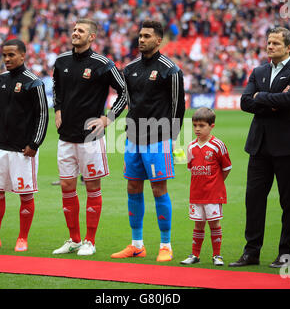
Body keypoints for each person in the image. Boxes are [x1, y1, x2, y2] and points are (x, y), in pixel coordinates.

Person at [229, 27, 290, 268]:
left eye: (275, 43)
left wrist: (260, 98)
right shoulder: (259, 71)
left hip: (287, 146)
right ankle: (251, 252)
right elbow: (245, 102)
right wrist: (270, 101)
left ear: (288, 47)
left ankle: (285, 253)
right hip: (259, 146)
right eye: (269, 42)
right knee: (253, 200)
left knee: (289, 202)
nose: (270, 46)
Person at [111, 20, 185, 262]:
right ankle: (137, 244)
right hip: (133, 138)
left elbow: (178, 106)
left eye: (146, 36)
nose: (141, 39)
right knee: (132, 187)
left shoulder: (170, 69)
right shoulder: (130, 68)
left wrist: (174, 139)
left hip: (159, 138)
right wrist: (109, 118)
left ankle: (166, 245)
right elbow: (127, 101)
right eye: (140, 35)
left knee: (158, 188)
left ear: (158, 40)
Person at [51, 19, 127, 256]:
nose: (75, 33)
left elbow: (125, 91)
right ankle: (73, 239)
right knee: (66, 186)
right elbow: (56, 88)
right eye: (74, 29)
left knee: (92, 187)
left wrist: (109, 118)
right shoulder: (61, 61)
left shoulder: (103, 64)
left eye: (80, 31)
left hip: (90, 138)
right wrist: (58, 109)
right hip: (65, 137)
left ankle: (89, 241)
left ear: (91, 37)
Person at [0, 39, 48, 252]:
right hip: (3, 149)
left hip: (24, 151)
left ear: (23, 56)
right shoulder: (1, 80)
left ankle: (22, 238)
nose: (7, 59)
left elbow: (43, 115)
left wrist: (35, 143)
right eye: (4, 55)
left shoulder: (34, 82)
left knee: (25, 195)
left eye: (11, 55)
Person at [180, 108, 231, 266]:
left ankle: (217, 255)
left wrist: (216, 183)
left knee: (214, 223)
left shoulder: (218, 145)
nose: (197, 129)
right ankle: (195, 255)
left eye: (201, 125)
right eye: (195, 125)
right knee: (198, 224)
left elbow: (226, 168)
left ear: (211, 126)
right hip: (196, 193)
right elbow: (191, 168)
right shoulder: (191, 146)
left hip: (213, 194)